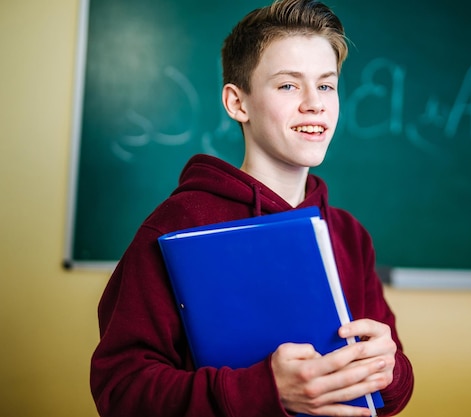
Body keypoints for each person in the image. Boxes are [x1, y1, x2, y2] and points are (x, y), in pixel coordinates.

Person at [90, 0, 414, 416]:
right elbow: (121, 392)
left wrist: (392, 371)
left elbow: (387, 395)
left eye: (327, 85)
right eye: (288, 85)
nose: (315, 103)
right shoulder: (178, 225)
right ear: (237, 103)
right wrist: (264, 392)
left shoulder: (349, 235)